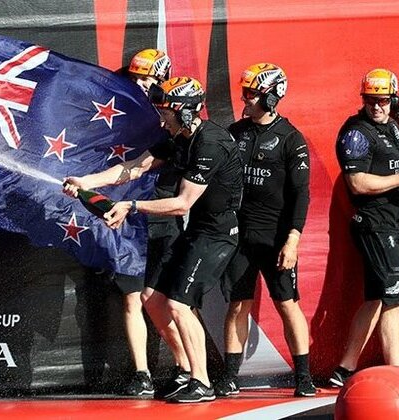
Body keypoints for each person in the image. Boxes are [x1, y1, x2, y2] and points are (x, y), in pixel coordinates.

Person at [67, 76, 244, 403]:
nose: (161, 118)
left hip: (217, 235)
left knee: (179, 303)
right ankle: (184, 368)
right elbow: (134, 168)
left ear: (186, 112)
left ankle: (201, 381)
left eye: (167, 112)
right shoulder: (178, 137)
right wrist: (86, 182)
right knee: (152, 297)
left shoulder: (210, 143)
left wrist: (131, 205)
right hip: (195, 231)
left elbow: (181, 204)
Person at [72, 48, 189, 397]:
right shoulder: (119, 107)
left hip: (161, 215)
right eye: (133, 78)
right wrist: (86, 182)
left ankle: (188, 368)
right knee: (132, 297)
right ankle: (142, 372)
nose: (138, 84)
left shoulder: (177, 121)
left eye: (145, 78)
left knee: (170, 301)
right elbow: (128, 167)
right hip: (125, 211)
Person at [214, 63, 316, 398]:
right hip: (240, 236)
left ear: (273, 96)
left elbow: (301, 194)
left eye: (253, 93)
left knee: (287, 304)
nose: (246, 98)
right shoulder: (236, 131)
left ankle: (303, 376)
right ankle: (230, 376)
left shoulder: (291, 138)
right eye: (245, 92)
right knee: (237, 305)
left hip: (276, 238)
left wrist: (293, 239)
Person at [330, 68, 399, 385]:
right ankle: (397, 373)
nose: (376, 107)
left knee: (376, 297)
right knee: (394, 296)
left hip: (394, 221)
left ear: (394, 101)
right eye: (370, 100)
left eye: (383, 100)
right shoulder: (357, 133)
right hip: (375, 223)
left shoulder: (393, 128)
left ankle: (344, 368)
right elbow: (357, 183)